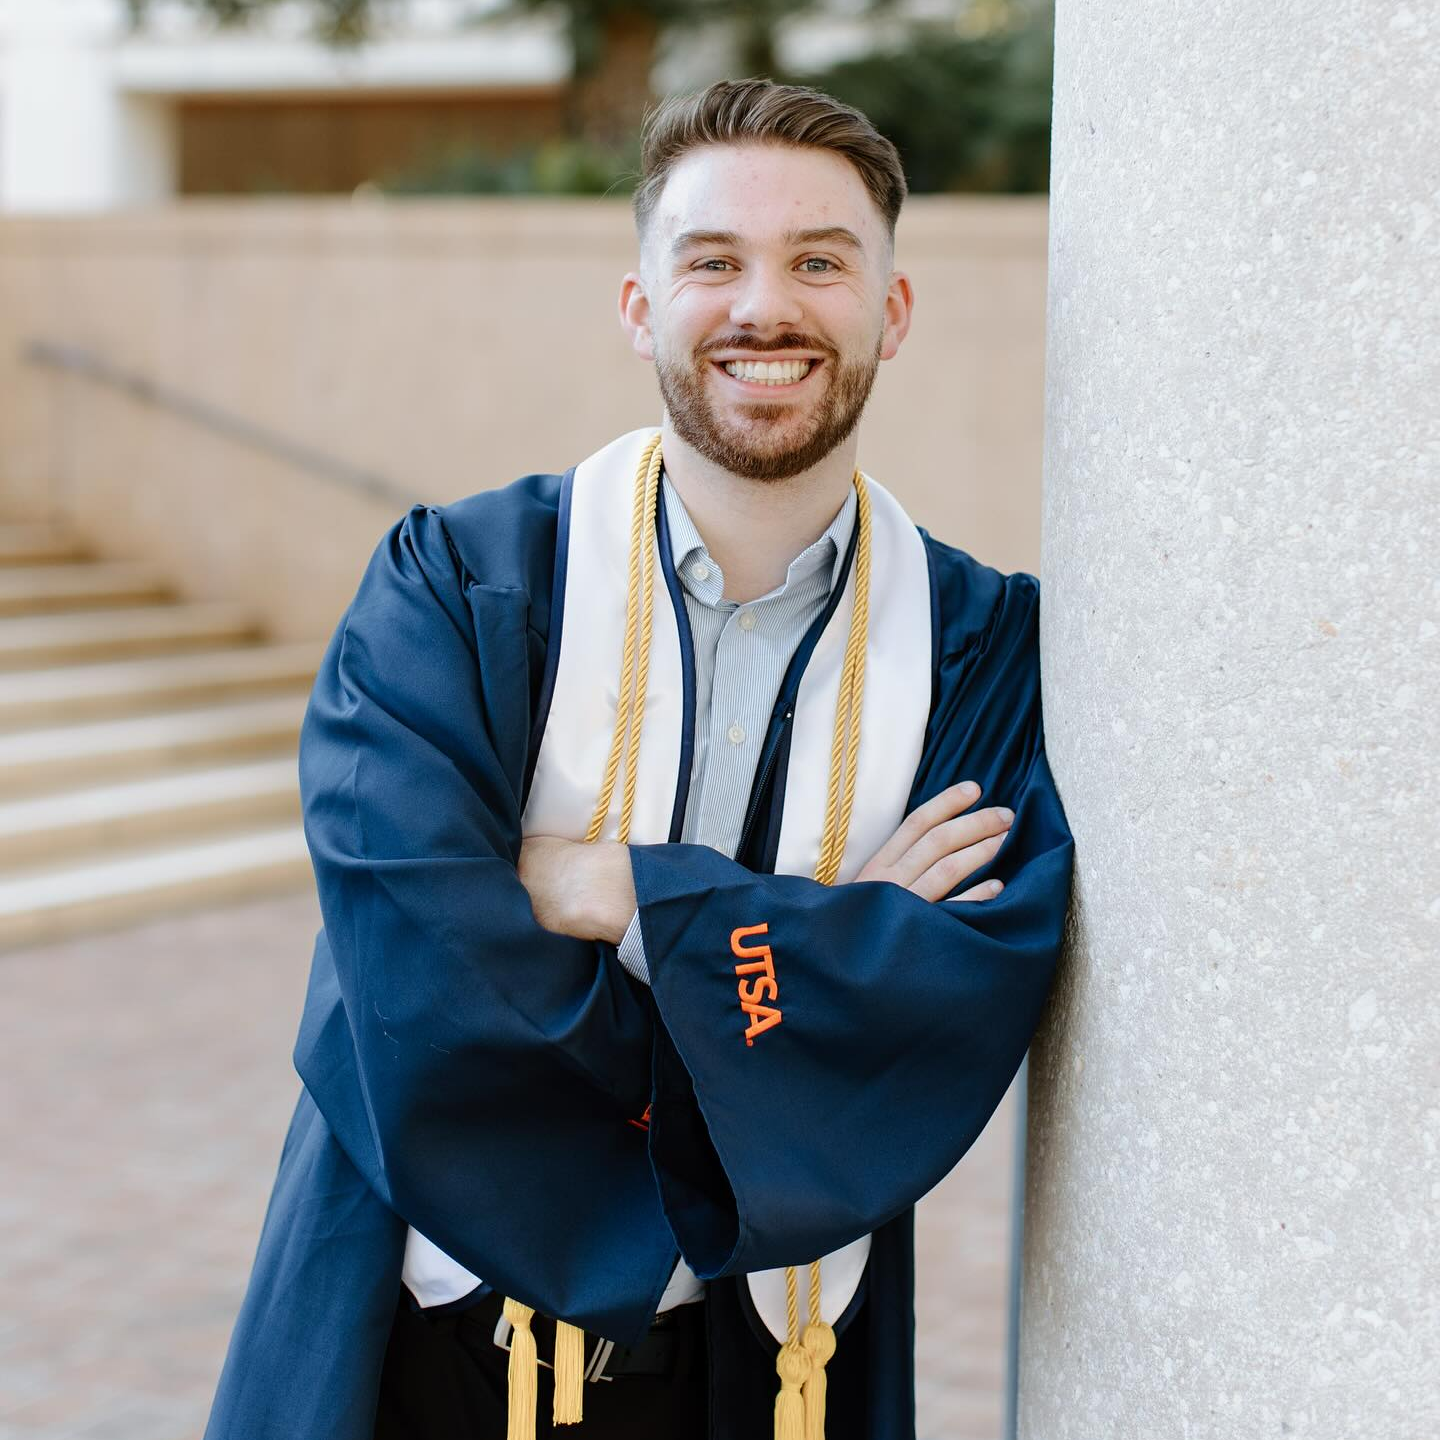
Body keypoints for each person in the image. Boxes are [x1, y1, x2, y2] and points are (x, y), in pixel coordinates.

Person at [204, 78, 1074, 1440]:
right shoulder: (457, 594)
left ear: (892, 314)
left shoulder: (980, 654)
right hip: (420, 1352)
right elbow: (419, 981)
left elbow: (953, 1008)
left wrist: (627, 893)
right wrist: (821, 959)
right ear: (639, 307)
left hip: (769, 1378)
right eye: (713, 261)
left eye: (820, 263)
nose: (763, 308)